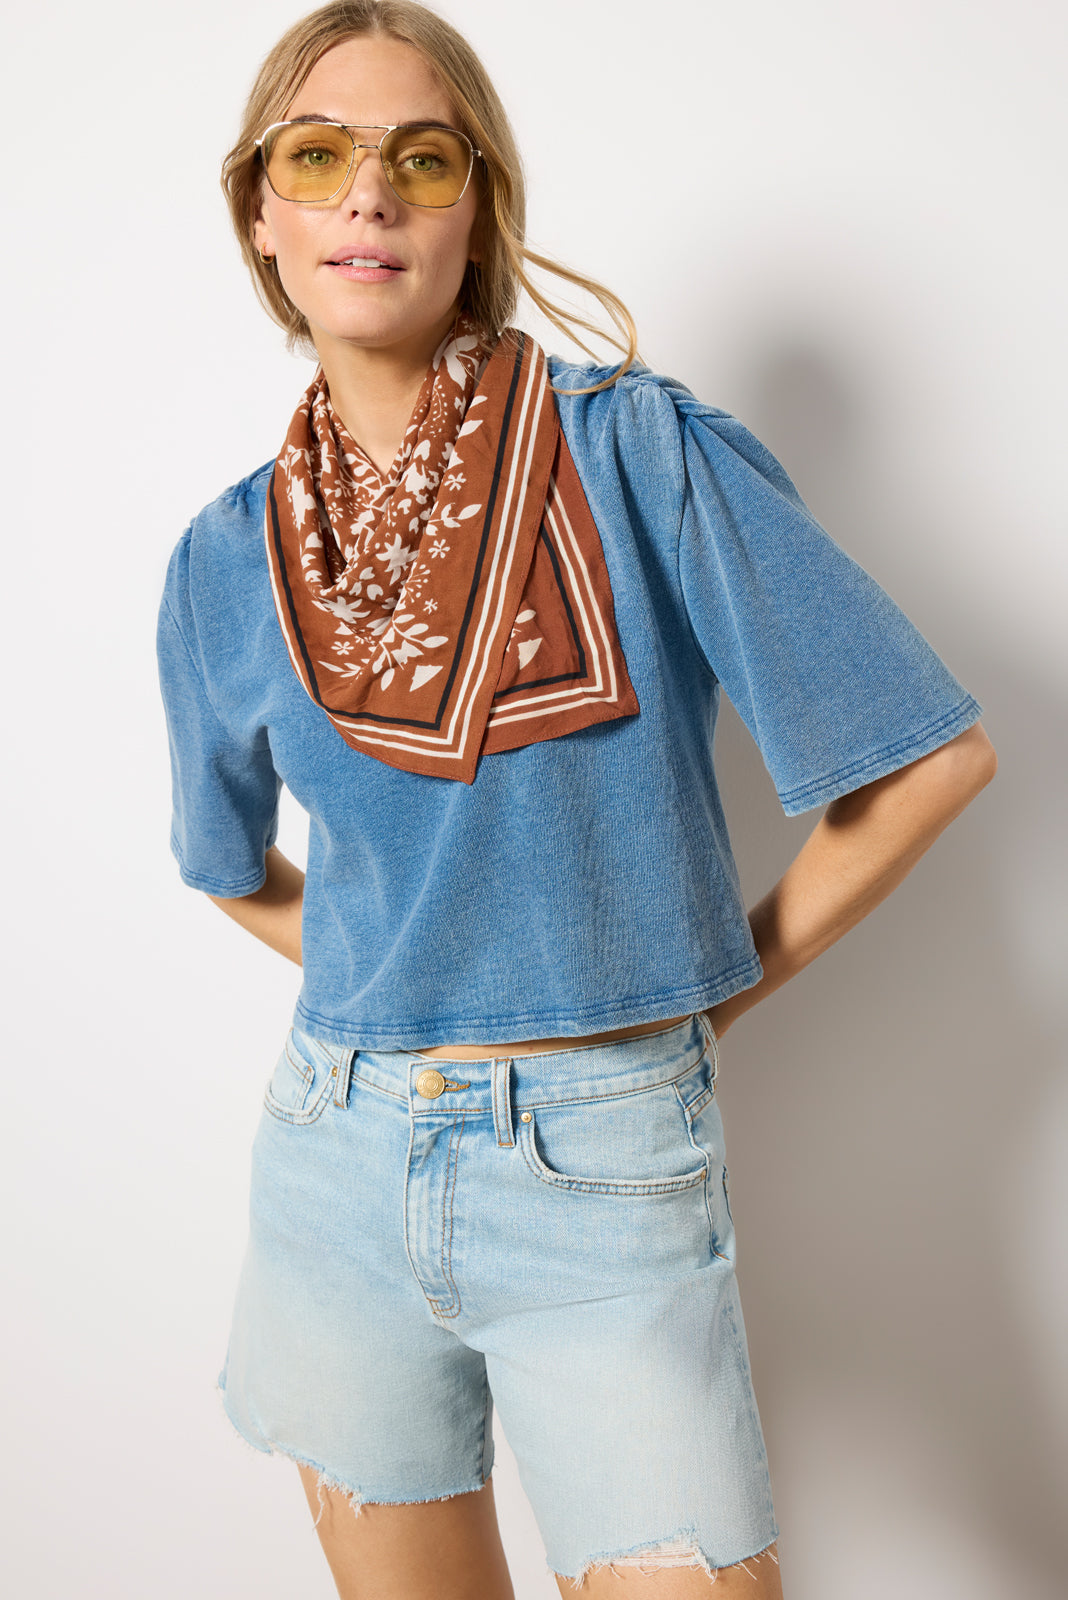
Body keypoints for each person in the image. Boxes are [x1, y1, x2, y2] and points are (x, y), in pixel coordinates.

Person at [155, 2, 997, 1595]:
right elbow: (229, 866)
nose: (368, 193)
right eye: (316, 157)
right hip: (336, 1160)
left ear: (478, 208)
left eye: (422, 157)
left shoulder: (637, 454)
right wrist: (407, 978)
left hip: (606, 1167)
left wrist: (697, 991)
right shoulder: (223, 557)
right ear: (261, 215)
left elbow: (928, 763)